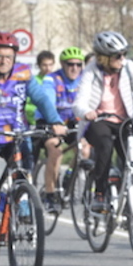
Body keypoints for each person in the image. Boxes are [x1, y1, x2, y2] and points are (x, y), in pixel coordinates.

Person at [0, 32, 65, 266]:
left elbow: (41, 99)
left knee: (23, 176)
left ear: (15, 56)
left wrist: (55, 121)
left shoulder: (24, 74)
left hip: (16, 138)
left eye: (8, 56)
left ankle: (19, 200)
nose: (3, 61)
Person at [73, 31, 133, 213]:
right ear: (104, 58)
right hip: (99, 120)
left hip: (124, 120)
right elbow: (79, 101)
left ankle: (126, 202)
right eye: (117, 55)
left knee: (129, 159)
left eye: (124, 54)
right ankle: (100, 194)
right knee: (105, 146)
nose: (122, 58)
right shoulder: (92, 70)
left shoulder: (129, 67)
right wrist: (86, 112)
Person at [35, 46, 85, 211]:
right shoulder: (51, 79)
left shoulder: (84, 79)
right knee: (55, 150)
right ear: (62, 65)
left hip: (71, 121)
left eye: (79, 64)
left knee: (84, 150)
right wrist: (54, 121)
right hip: (49, 119)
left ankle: (68, 178)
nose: (74, 68)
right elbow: (47, 101)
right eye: (70, 64)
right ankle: (50, 195)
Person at [25, 50, 56, 126]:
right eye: (44, 65)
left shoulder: (57, 80)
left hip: (54, 121)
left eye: (50, 65)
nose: (48, 68)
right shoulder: (33, 81)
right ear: (38, 65)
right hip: (35, 122)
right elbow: (28, 103)